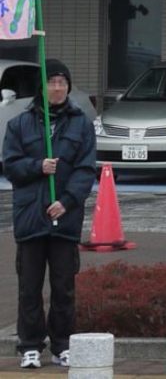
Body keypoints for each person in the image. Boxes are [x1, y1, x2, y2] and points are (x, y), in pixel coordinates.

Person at [2, 60, 96, 370]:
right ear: (42, 87)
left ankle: (62, 344)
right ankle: (30, 345)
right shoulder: (19, 124)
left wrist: (67, 201)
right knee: (29, 286)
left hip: (64, 218)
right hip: (31, 215)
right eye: (51, 82)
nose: (57, 87)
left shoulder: (81, 123)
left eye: (62, 82)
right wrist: (37, 167)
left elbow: (85, 169)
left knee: (63, 285)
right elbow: (11, 166)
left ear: (68, 86)